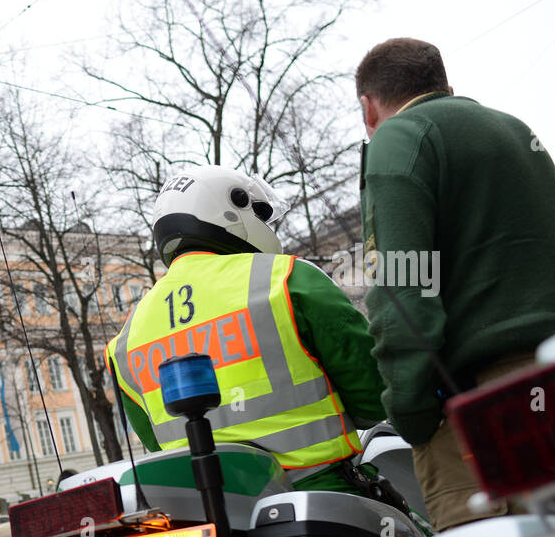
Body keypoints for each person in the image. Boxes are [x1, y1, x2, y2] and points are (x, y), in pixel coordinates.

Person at [355, 37, 555, 530]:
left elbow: (404, 292)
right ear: (446, 87)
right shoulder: (513, 130)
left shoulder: (399, 138)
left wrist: (412, 415)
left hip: (490, 409)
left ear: (368, 107)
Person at [107, 164, 387, 494]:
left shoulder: (123, 343)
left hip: (214, 520)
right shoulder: (285, 279)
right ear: (234, 208)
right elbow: (375, 395)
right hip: (322, 493)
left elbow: (158, 444)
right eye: (261, 214)